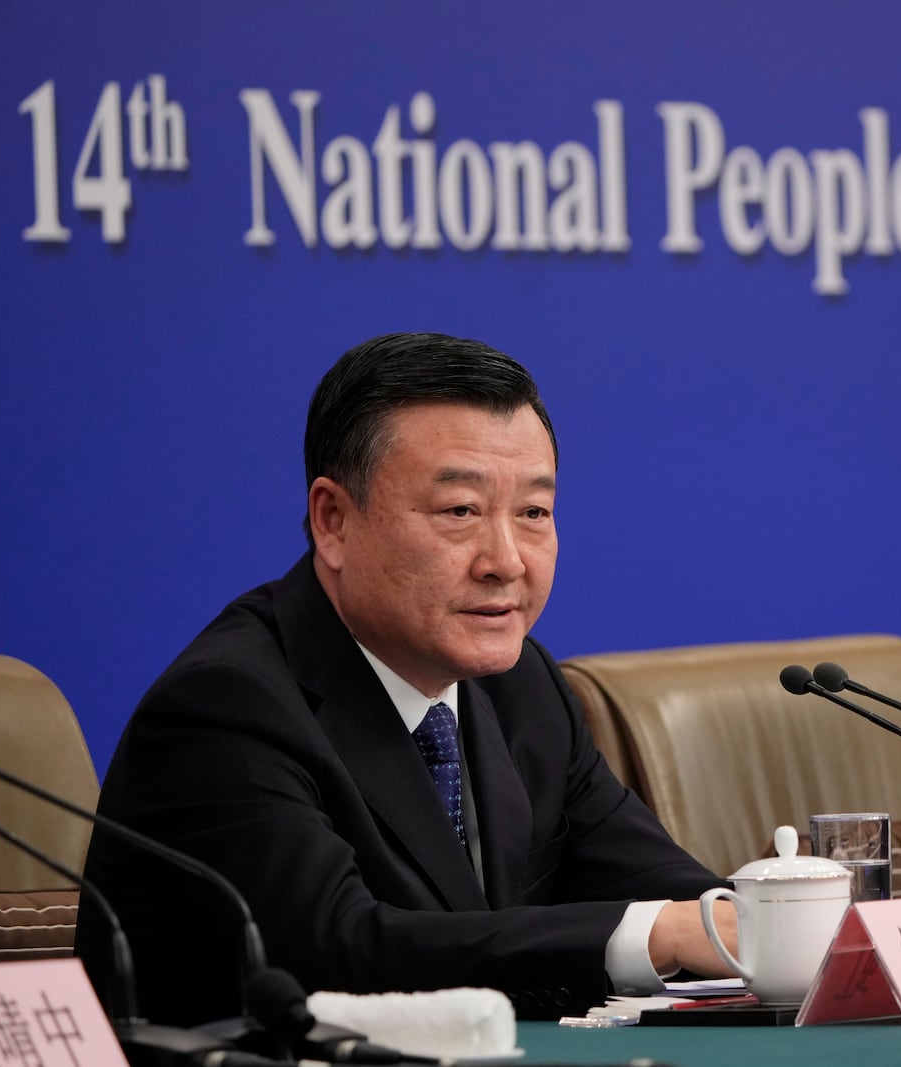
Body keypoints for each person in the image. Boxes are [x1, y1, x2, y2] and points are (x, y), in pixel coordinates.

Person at [75, 333, 738, 1025]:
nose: (506, 560)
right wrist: (657, 933)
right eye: (460, 511)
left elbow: (665, 888)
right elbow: (340, 952)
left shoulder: (521, 686)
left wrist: (774, 919)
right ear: (333, 520)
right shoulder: (226, 706)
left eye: (534, 512)